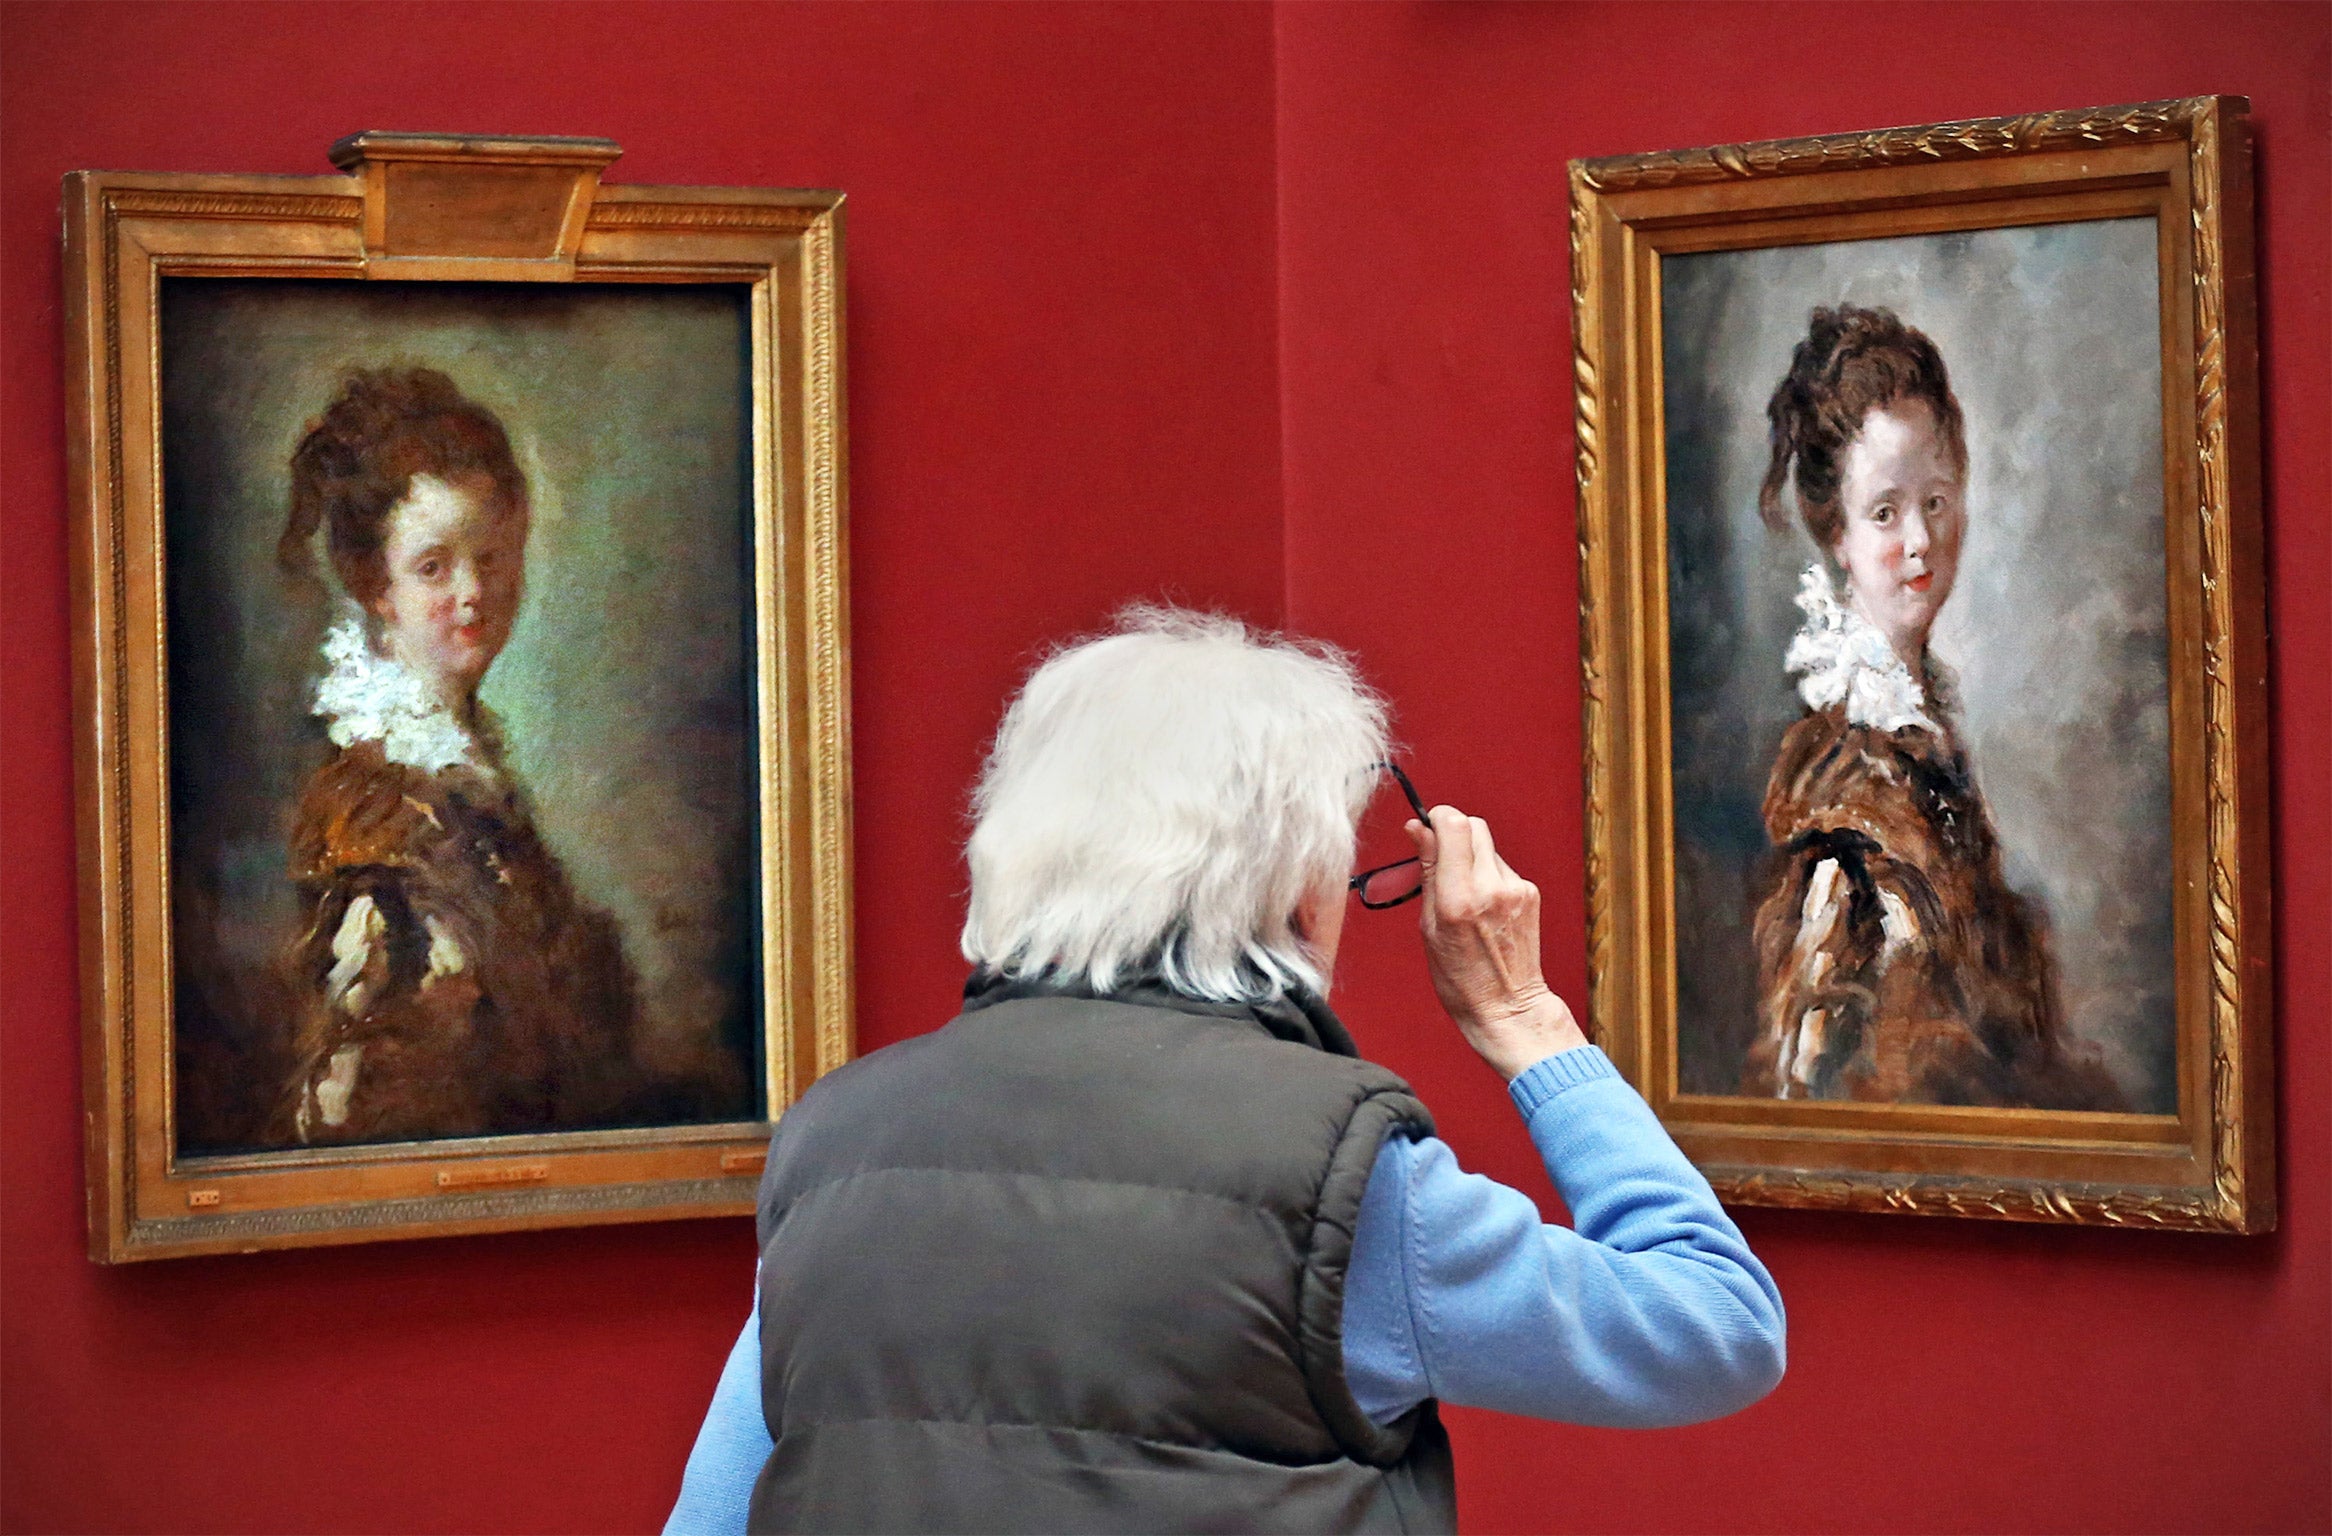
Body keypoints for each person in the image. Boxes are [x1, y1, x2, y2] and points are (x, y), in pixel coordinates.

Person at [667, 607, 1784, 1534]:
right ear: (1297, 891)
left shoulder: (836, 1141)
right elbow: (1717, 1329)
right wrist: (1529, 1020)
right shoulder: (1341, 1182)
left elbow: (712, 1518)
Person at [1745, 306, 2119, 1108]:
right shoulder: (1840, 777)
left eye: (1938, 501)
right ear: (1836, 535)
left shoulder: (1924, 724)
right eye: (1885, 512)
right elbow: (1810, 1075)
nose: (1921, 539)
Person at [268, 367, 639, 1146]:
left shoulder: (467, 772)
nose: (474, 592)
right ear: (376, 585)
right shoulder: (369, 817)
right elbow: (349, 1112)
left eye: (494, 556)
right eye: (434, 566)